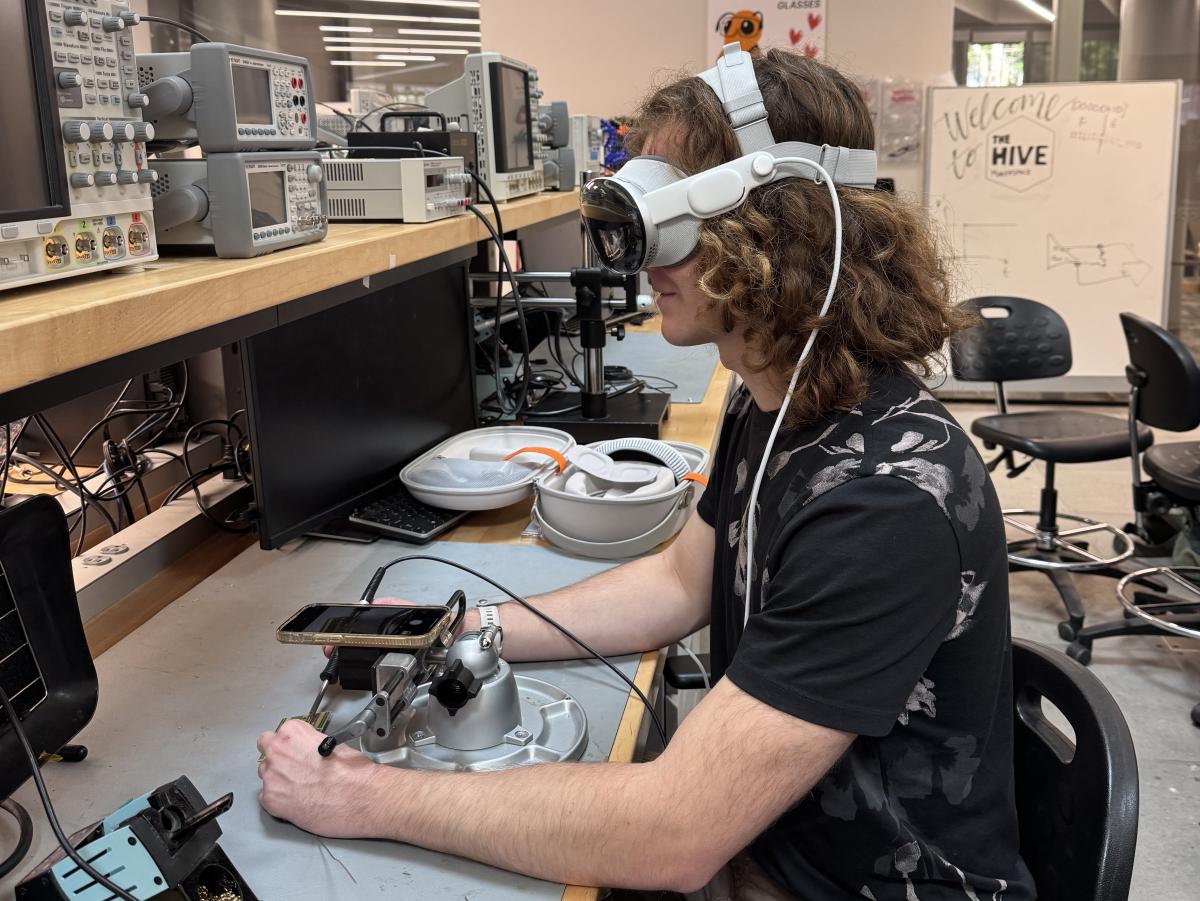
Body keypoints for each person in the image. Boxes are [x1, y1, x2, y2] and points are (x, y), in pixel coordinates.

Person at [257, 48, 1036, 900]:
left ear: (780, 231)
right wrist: (456, 627)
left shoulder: (882, 500)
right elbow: (678, 582)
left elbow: (672, 833)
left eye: (666, 220)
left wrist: (359, 793)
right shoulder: (773, 394)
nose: (640, 258)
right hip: (779, 841)